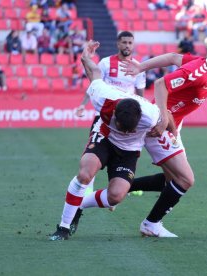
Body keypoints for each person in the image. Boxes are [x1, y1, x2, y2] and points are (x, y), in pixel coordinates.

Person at [75, 32, 207, 237]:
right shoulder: (200, 71)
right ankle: (150, 223)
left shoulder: (204, 65)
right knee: (185, 179)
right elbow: (162, 84)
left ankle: (125, 187)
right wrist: (162, 118)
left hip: (172, 126)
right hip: (160, 127)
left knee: (172, 182)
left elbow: (172, 57)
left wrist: (141, 67)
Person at [49, 40, 163, 240]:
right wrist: (85, 56)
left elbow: (168, 119)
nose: (124, 131)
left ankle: (79, 204)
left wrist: (163, 130)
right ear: (115, 116)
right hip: (104, 137)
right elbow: (94, 73)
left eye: (129, 129)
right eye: (121, 126)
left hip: (128, 151)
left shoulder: (152, 114)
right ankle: (63, 227)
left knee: (115, 196)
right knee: (85, 173)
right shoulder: (103, 97)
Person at [75, 31, 146, 196]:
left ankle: (121, 184)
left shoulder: (138, 67)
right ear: (118, 44)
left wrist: (140, 116)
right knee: (93, 152)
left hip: (125, 118)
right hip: (105, 116)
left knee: (123, 152)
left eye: (130, 43)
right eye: (124, 42)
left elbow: (140, 94)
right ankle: (88, 189)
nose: (127, 46)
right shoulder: (106, 63)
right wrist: (82, 105)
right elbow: (95, 84)